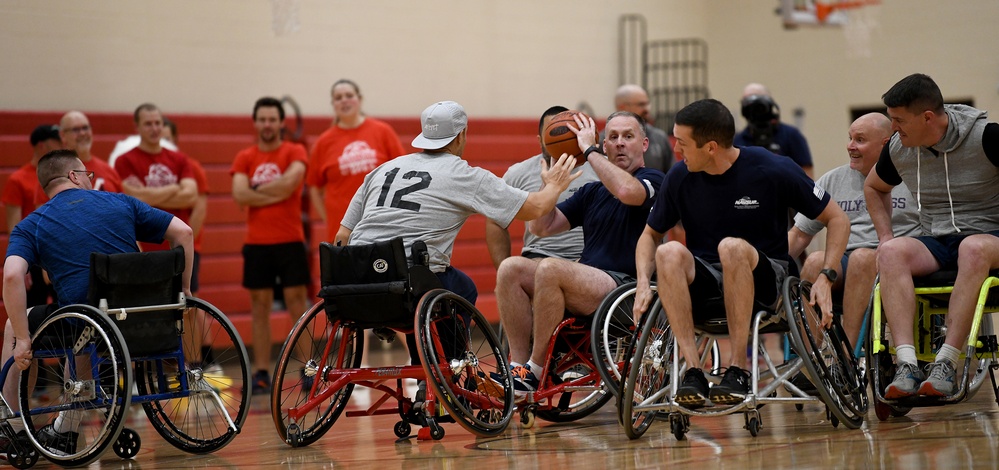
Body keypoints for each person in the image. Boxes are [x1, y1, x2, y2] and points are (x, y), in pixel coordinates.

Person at [634, 99, 848, 407]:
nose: (677, 150)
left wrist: (826, 277)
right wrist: (643, 281)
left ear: (710, 147)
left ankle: (739, 368)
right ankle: (693, 370)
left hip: (768, 279)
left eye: (682, 143)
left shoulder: (772, 168)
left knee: (730, 247)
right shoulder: (680, 176)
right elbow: (649, 235)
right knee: (667, 252)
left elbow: (837, 218)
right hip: (709, 280)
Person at [336, 100, 580, 366]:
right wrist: (554, 185)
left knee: (424, 284)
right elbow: (535, 207)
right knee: (461, 288)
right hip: (407, 286)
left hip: (354, 282)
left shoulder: (382, 169)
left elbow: (343, 236)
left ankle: (407, 344)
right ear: (462, 134)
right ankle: (441, 371)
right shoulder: (464, 175)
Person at [1, 149, 193, 453]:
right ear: (75, 176)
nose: (91, 181)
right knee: (83, 317)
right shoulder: (121, 202)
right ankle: (65, 429)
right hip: (147, 321)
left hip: (89, 324)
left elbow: (12, 277)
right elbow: (184, 231)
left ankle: (10, 428)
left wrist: (24, 340)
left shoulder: (33, 223)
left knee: (20, 324)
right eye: (89, 175)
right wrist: (184, 293)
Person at [496, 111, 666, 393]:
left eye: (628, 136)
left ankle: (536, 371)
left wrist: (589, 151)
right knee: (510, 268)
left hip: (626, 286)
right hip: (588, 281)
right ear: (605, 146)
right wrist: (550, 186)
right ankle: (519, 365)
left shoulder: (655, 179)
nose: (620, 143)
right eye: (613, 137)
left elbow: (627, 191)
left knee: (551, 268)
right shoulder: (592, 191)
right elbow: (542, 227)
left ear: (644, 144)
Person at [864, 73, 999, 399]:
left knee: (973, 247)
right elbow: (873, 187)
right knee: (891, 252)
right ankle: (907, 363)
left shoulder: (986, 137)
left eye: (898, 120)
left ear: (927, 117)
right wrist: (885, 236)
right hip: (937, 239)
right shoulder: (899, 148)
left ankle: (947, 363)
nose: (893, 128)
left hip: (989, 237)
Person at [788, 113, 921, 346]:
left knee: (862, 258)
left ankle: (848, 356)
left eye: (860, 140)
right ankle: (811, 361)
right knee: (814, 261)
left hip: (897, 262)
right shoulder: (833, 180)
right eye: (850, 138)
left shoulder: (913, 177)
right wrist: (767, 263)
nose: (850, 146)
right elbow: (799, 234)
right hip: (844, 262)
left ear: (886, 143)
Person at [231, 97, 310, 395]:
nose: (267, 124)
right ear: (255, 123)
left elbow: (292, 184)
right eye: (261, 119)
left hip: (290, 241)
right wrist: (272, 192)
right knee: (259, 308)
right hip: (257, 245)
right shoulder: (245, 156)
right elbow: (239, 195)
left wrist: (255, 191)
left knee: (297, 306)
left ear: (280, 122)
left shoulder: (294, 150)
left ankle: (309, 368)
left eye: (271, 119)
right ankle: (261, 371)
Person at [484, 105, 598, 268]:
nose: (561, 138)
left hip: (590, 257)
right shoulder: (519, 172)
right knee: (512, 271)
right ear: (540, 140)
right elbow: (495, 220)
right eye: (553, 133)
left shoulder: (600, 168)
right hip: (539, 256)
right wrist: (501, 268)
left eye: (566, 132)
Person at [308, 79, 405, 243]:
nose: (344, 100)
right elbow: (314, 188)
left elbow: (401, 173)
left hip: (380, 226)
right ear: (333, 104)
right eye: (338, 98)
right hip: (341, 232)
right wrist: (329, 219)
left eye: (349, 95)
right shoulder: (324, 142)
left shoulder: (383, 132)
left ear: (359, 99)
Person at [114, 104, 199, 256]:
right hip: (144, 249)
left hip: (177, 246)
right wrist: (174, 188)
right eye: (148, 124)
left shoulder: (180, 159)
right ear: (137, 127)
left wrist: (148, 197)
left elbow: (191, 196)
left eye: (157, 123)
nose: (154, 128)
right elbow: (134, 200)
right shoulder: (124, 161)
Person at [2, 125, 62, 308]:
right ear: (42, 146)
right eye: (57, 141)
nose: (62, 145)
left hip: (57, 251)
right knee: (33, 308)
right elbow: (14, 225)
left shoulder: (60, 177)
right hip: (35, 255)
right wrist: (23, 260)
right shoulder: (18, 179)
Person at [734, 83, 814, 178]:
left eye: (758, 103)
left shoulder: (791, 135)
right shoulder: (738, 140)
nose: (754, 109)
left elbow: (807, 174)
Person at [603, 84, 676, 173]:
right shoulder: (601, 140)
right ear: (622, 108)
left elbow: (672, 174)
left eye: (647, 104)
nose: (646, 109)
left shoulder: (660, 137)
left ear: (645, 143)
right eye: (641, 105)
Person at [59, 111, 122, 192]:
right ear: (63, 135)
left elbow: (122, 203)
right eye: (75, 129)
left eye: (85, 128)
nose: (82, 133)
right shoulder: (55, 172)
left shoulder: (109, 171)